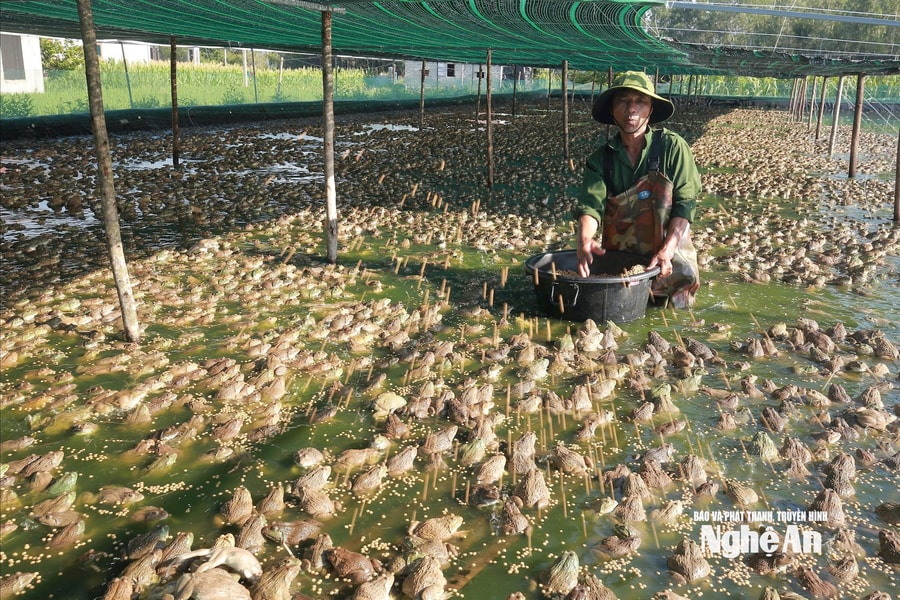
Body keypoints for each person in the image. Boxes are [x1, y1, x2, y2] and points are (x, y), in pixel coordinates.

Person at [574, 71, 701, 308]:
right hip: (623, 274)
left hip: (670, 265)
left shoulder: (673, 148)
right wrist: (585, 239)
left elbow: (685, 204)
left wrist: (667, 250)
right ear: (612, 109)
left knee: (675, 320)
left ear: (651, 109)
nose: (631, 108)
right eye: (623, 101)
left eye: (640, 101)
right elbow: (591, 207)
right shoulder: (601, 160)